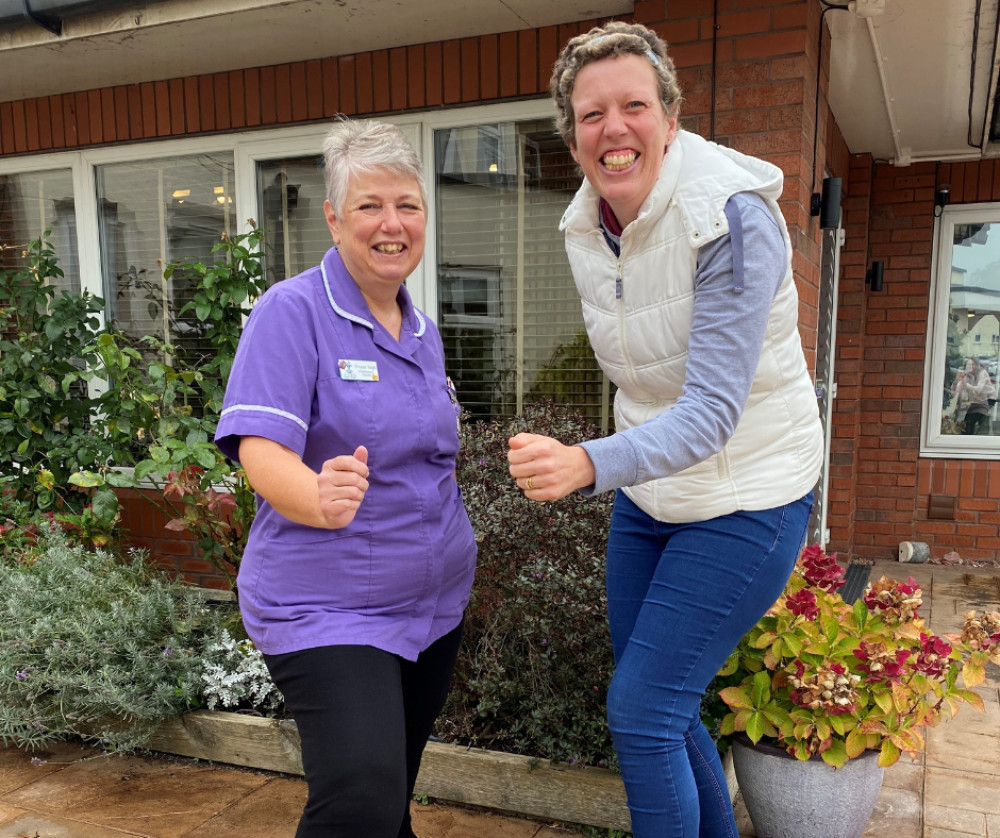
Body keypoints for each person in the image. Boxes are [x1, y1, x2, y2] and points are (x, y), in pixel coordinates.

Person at [506, 22, 825, 838]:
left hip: (748, 492)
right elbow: (642, 364)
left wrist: (587, 461)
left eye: (634, 106)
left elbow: (714, 412)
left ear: (671, 118)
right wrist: (611, 463)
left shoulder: (729, 219)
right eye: (590, 114)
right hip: (653, 497)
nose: (613, 129)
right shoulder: (588, 222)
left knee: (644, 712)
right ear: (571, 134)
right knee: (666, 707)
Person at [215, 118, 477, 838]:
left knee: (388, 799)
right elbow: (258, 448)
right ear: (333, 217)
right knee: (360, 794)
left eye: (408, 205)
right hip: (324, 605)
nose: (391, 224)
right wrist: (316, 497)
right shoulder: (291, 312)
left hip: (432, 607)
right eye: (369, 206)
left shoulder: (421, 331)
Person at [950, 356, 995, 435]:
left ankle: (978, 425)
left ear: (977, 365)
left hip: (988, 399)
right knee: (963, 419)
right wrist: (957, 380)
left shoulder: (982, 373)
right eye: (968, 365)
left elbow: (978, 390)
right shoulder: (967, 375)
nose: (970, 366)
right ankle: (965, 436)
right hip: (975, 401)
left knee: (971, 418)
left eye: (973, 364)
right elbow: (955, 392)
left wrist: (965, 384)